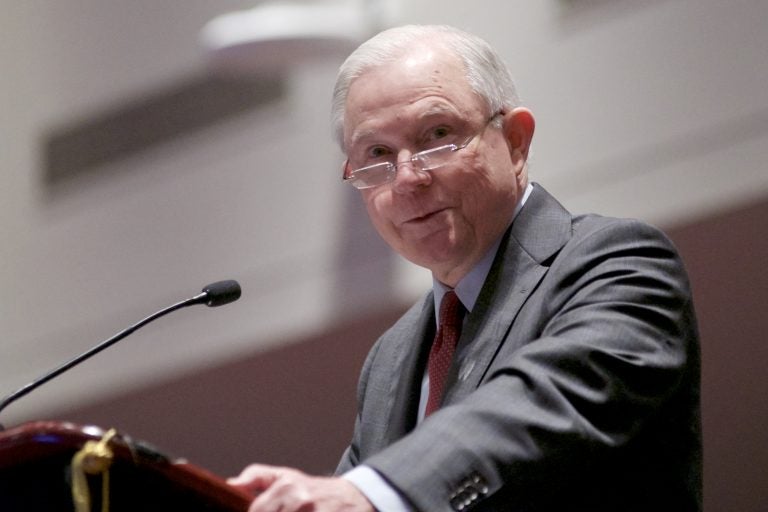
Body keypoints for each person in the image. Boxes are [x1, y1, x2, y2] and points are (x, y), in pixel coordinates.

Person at [229, 24, 702, 511]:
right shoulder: (390, 358)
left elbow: (544, 404)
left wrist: (370, 494)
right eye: (377, 154)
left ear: (516, 142)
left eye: (438, 134)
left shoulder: (618, 262)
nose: (409, 178)